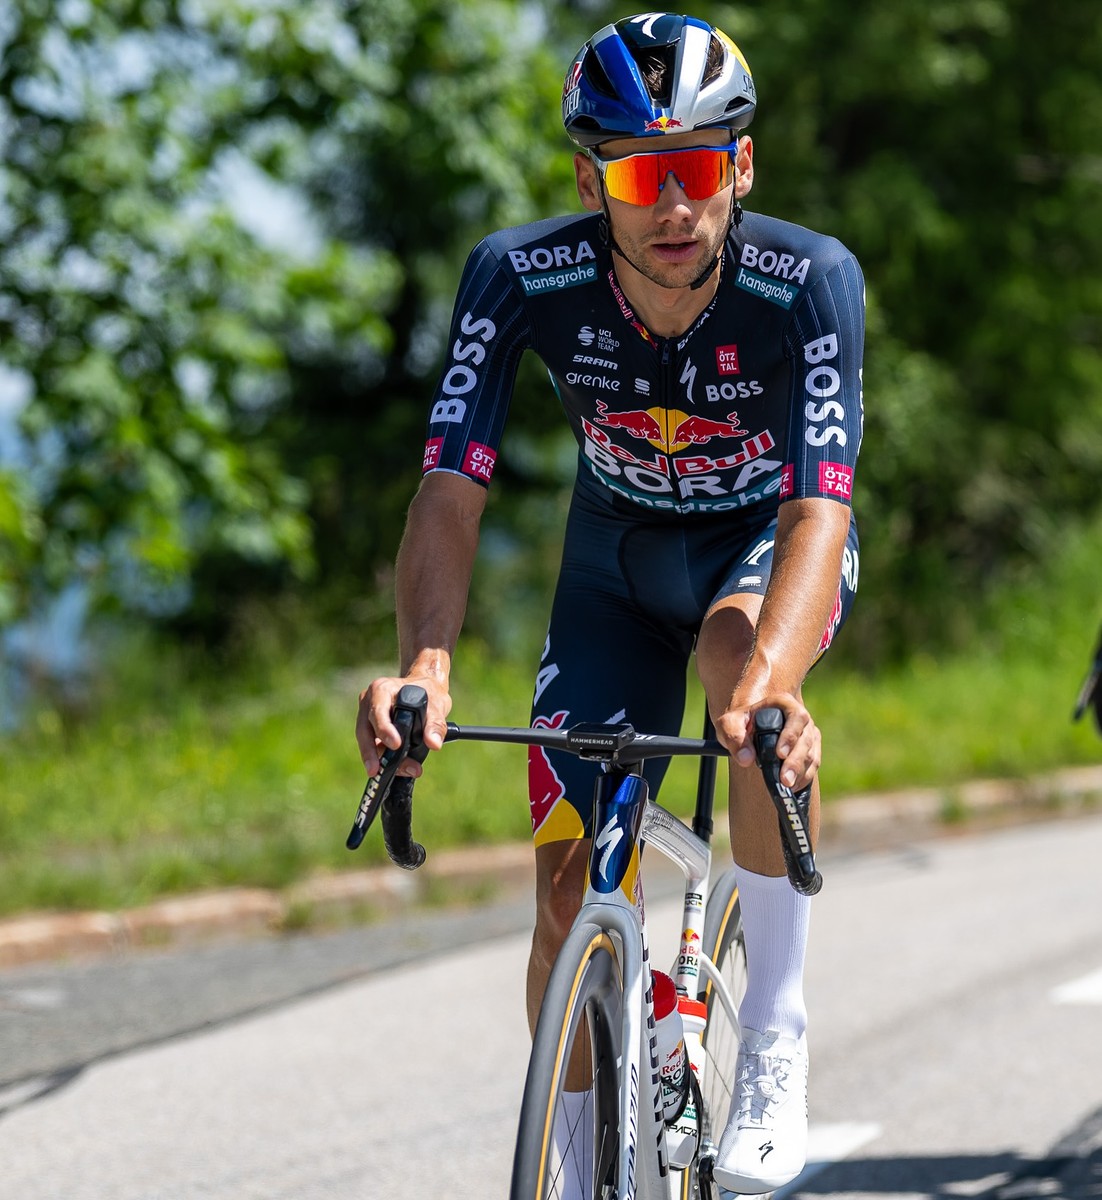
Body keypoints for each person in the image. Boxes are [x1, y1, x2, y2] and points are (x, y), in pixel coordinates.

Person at [356, 12, 864, 1194]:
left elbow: (819, 508)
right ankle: (578, 1165)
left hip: (762, 549)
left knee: (740, 679)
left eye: (698, 170)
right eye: (640, 176)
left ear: (741, 166)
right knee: (563, 892)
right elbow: (449, 488)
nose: (673, 207)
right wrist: (424, 666)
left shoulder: (809, 281)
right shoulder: (518, 275)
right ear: (591, 183)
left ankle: (773, 1035)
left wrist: (775, 687)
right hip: (614, 567)